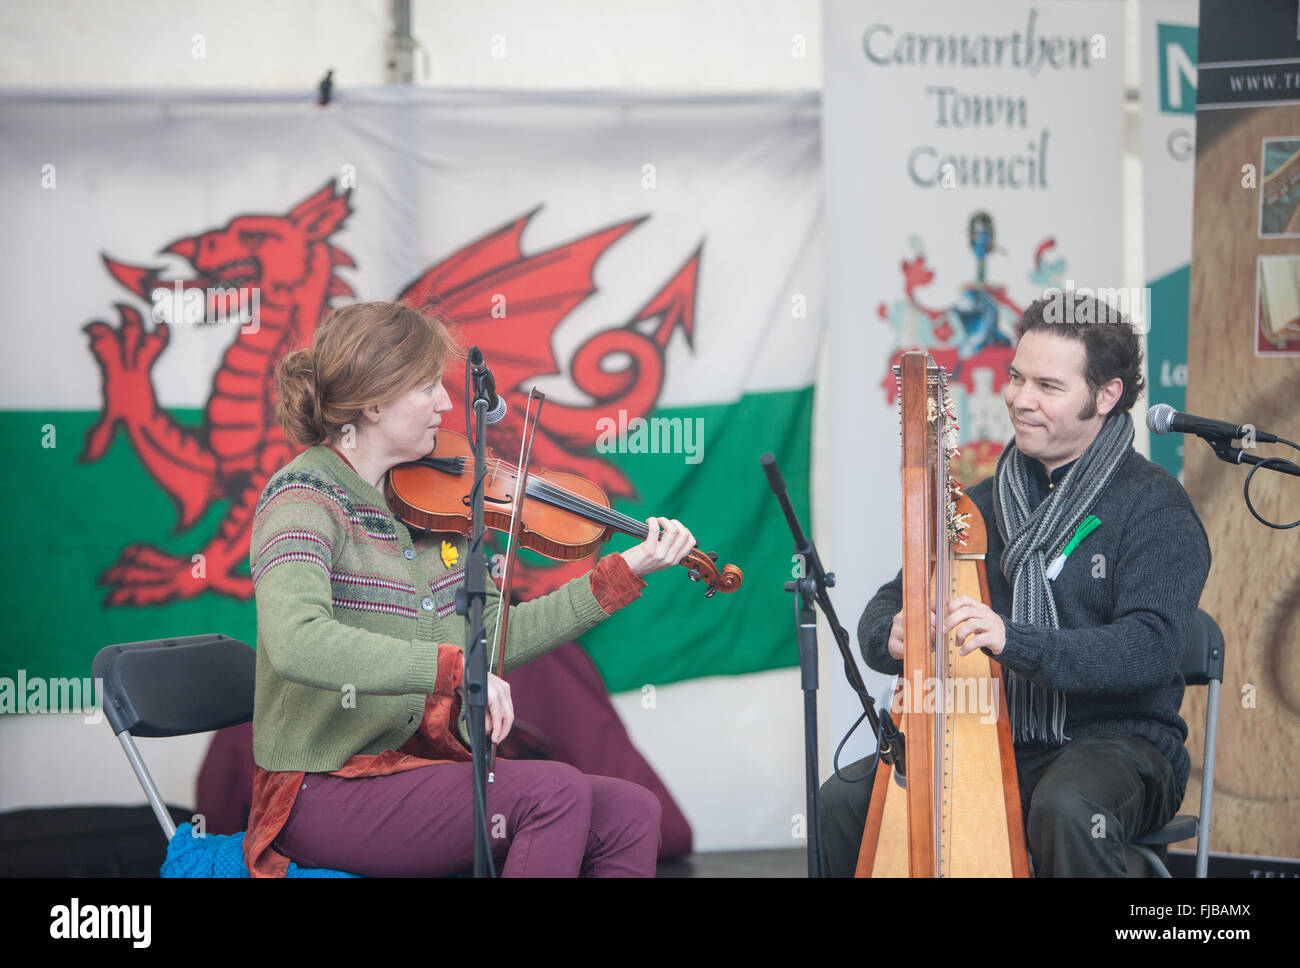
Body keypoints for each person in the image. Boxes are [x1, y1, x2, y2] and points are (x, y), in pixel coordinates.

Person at [243, 300, 696, 877]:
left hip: (415, 771)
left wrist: (622, 572)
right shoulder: (301, 501)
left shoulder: (427, 506)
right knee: (553, 793)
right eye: (426, 387)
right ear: (374, 401)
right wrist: (453, 668)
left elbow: (490, 638)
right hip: (321, 786)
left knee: (632, 810)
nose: (447, 404)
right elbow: (296, 641)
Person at [820, 293, 1212, 877]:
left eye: (1048, 387)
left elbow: (1150, 648)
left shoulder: (1154, 505)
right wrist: (893, 632)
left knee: (1067, 807)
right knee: (840, 804)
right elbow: (885, 605)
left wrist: (1012, 639)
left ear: (1106, 396)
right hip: (991, 734)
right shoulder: (977, 506)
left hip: (1117, 743)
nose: (1019, 400)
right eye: (1015, 377)